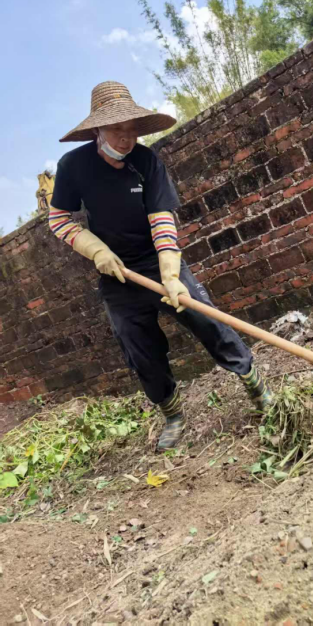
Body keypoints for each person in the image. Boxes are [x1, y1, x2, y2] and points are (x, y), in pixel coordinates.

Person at [49, 81, 273, 450]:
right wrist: (96, 250)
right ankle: (172, 415)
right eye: (116, 130)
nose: (126, 138)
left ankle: (255, 386)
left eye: (131, 129)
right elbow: (59, 218)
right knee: (138, 347)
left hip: (156, 259)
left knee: (206, 319)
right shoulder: (73, 166)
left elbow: (162, 218)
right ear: (97, 131)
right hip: (117, 273)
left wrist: (170, 274)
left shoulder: (146, 162)